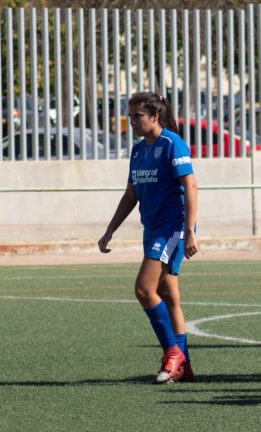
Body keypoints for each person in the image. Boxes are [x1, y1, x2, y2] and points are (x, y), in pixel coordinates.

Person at [98, 91, 198, 384]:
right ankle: (184, 366)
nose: (132, 121)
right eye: (129, 116)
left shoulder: (172, 144)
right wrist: (110, 229)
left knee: (143, 289)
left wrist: (189, 230)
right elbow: (131, 194)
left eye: (137, 116)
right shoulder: (139, 150)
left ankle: (172, 353)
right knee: (168, 297)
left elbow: (191, 186)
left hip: (172, 228)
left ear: (155, 116)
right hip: (152, 228)